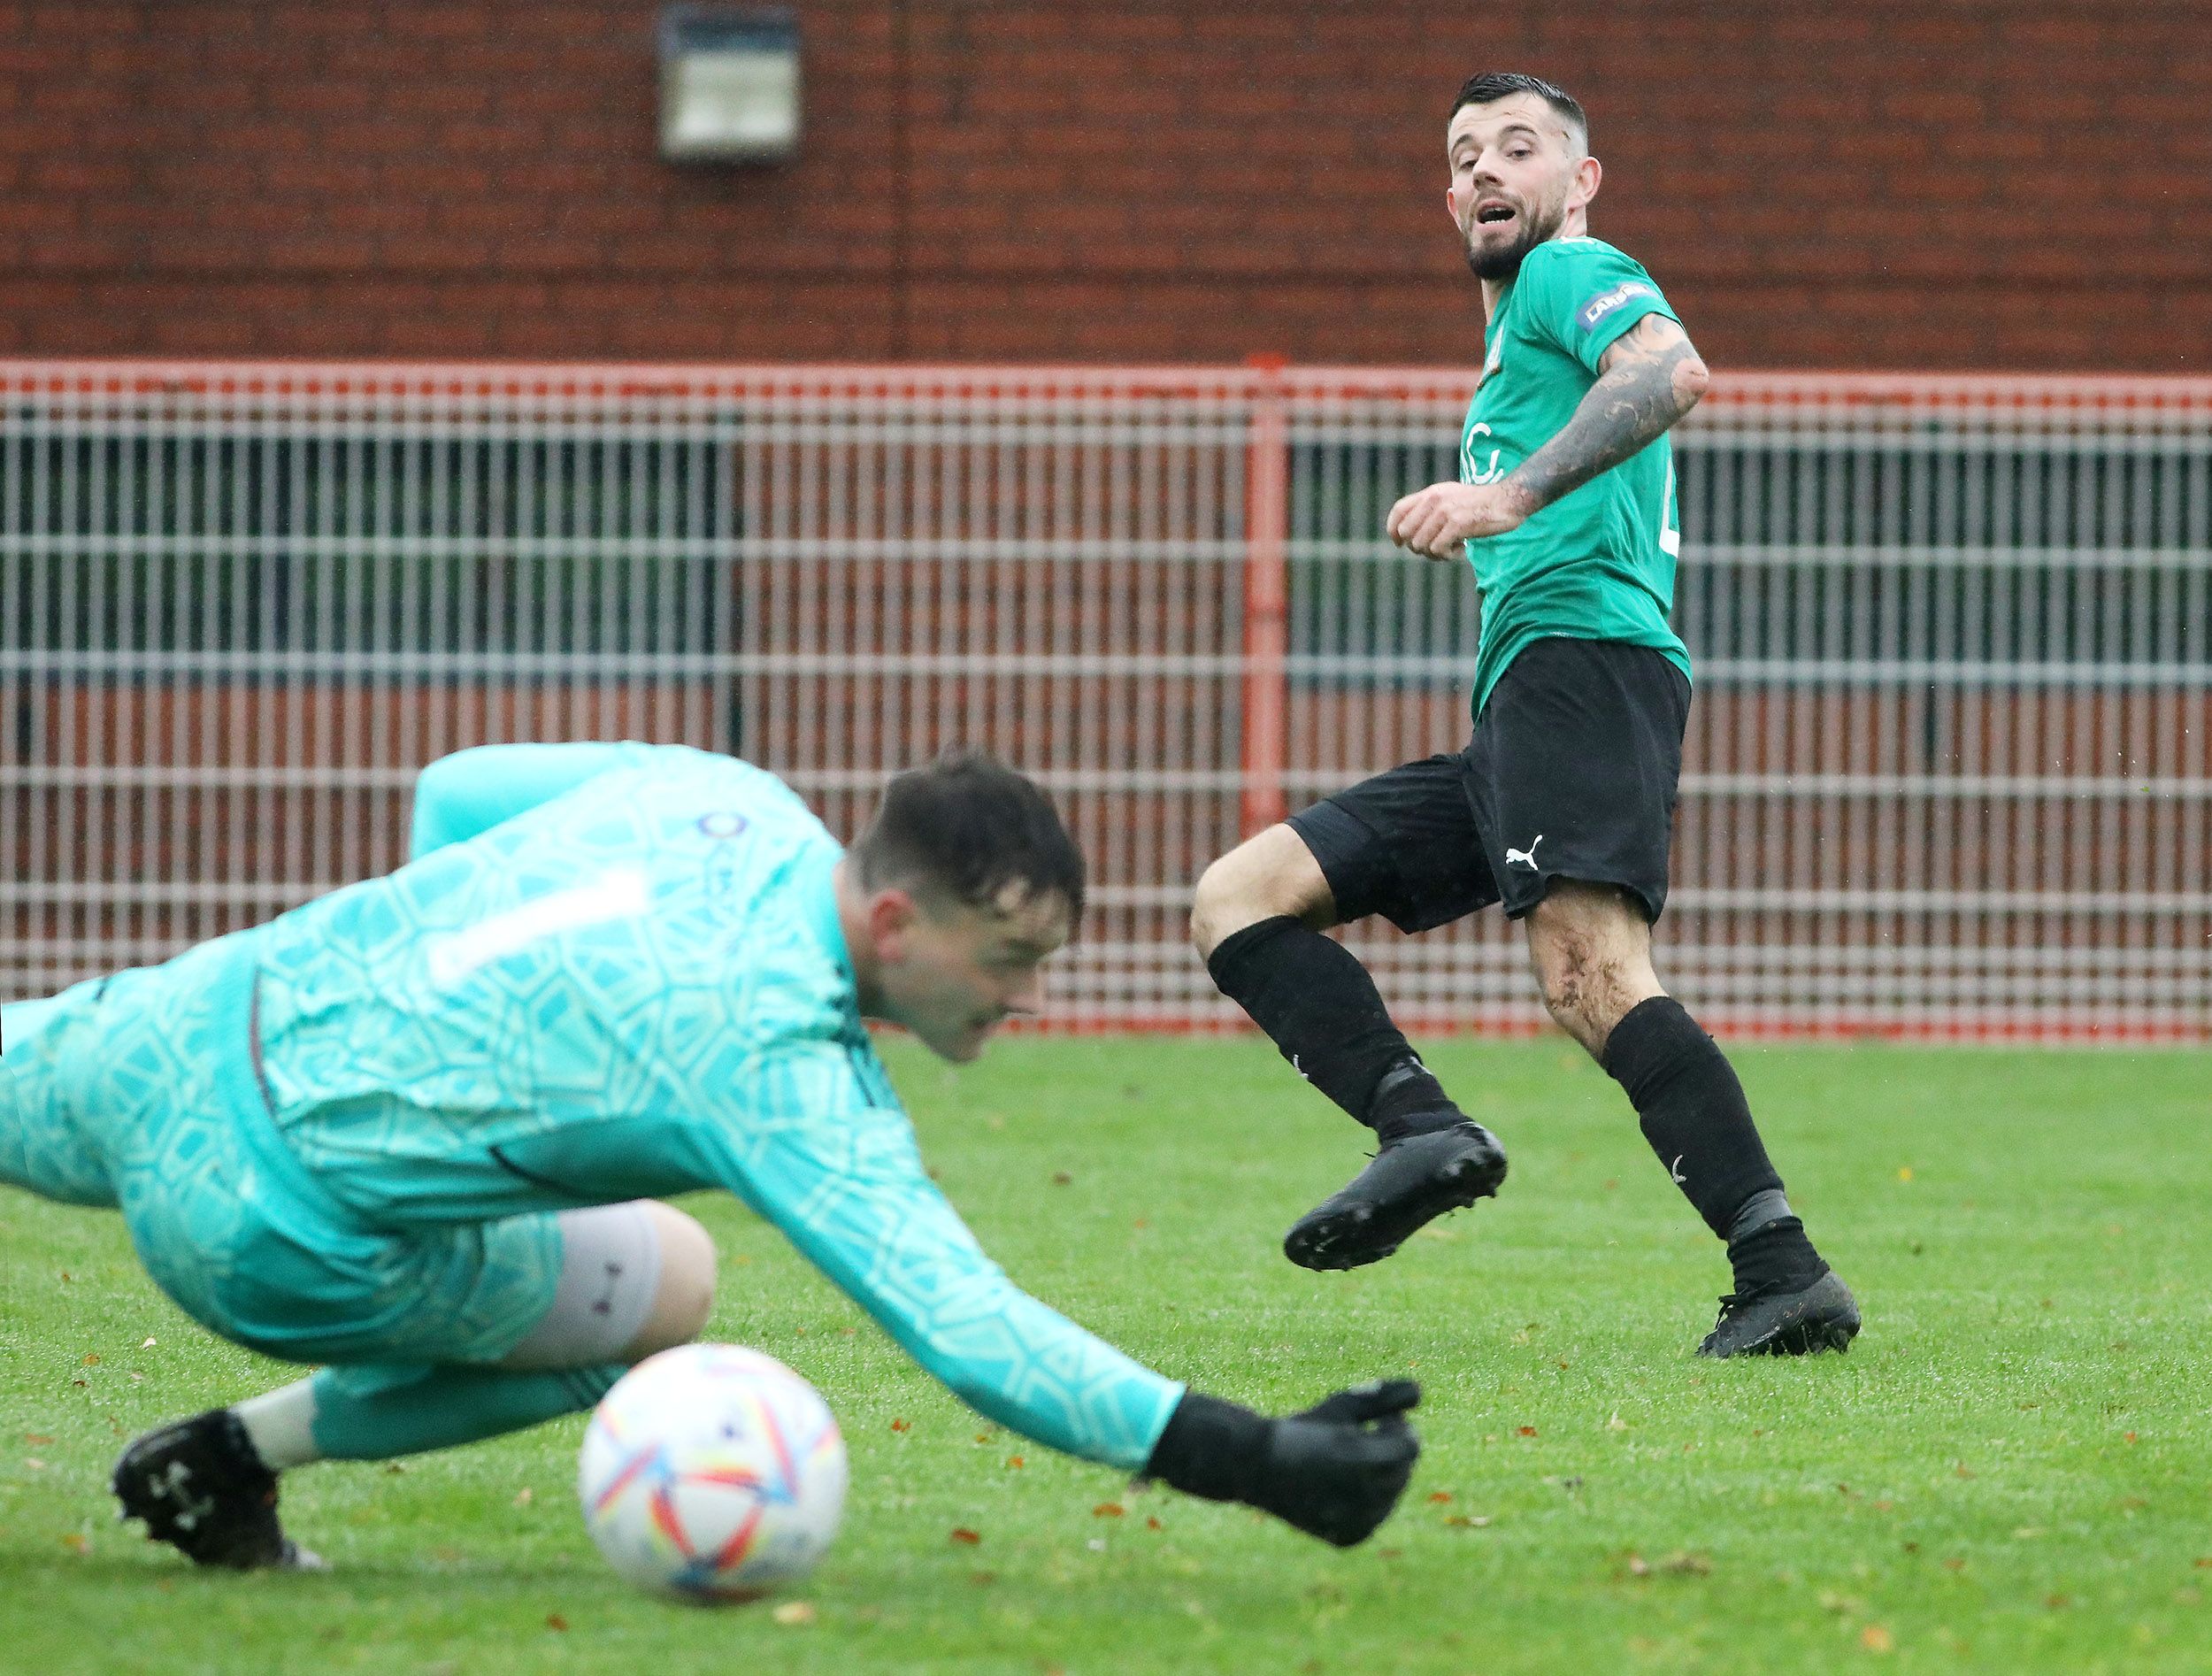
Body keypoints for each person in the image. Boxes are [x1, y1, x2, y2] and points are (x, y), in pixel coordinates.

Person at [0, 742, 1420, 1569]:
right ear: (892, 928)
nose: (1025, 1000)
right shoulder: (777, 1065)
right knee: (667, 1283)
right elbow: (969, 1329)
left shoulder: (720, 794)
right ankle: (228, 1460)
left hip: (177, 1020)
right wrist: (1262, 1459)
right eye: (1006, 962)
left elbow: (452, 794)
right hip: (268, 1231)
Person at [1190, 73, 1858, 1358]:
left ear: (1580, 181)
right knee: (1240, 896)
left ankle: (1782, 1266)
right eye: (1466, 155)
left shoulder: (1572, 272)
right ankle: (1422, 1128)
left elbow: (1671, 370)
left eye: (1520, 147)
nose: (1489, 170)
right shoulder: (1514, 342)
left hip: (1585, 667)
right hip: (1524, 702)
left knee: (1593, 973)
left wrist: (1509, 496)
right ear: (1449, 197)